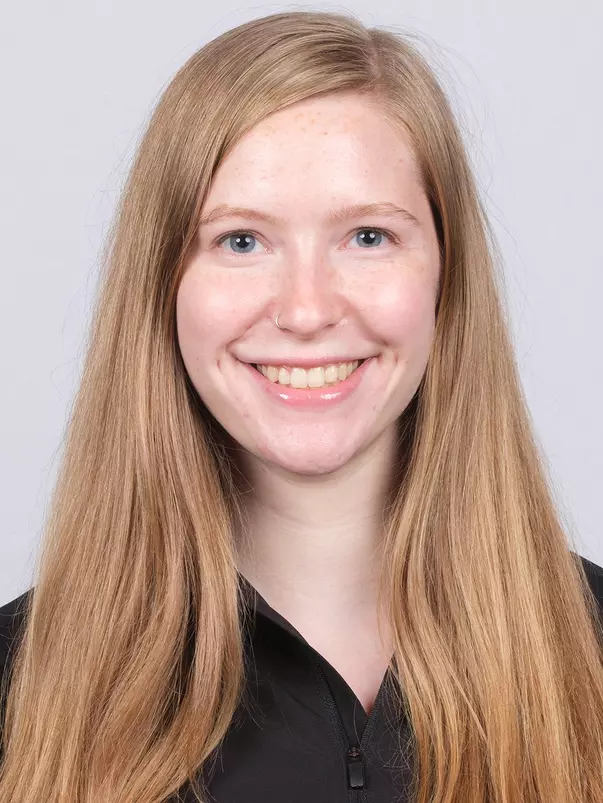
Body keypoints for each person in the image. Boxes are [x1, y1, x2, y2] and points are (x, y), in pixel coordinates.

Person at [1, 9, 602, 803]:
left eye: (367, 237)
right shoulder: (18, 686)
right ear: (163, 286)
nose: (307, 309)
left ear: (445, 279)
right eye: (241, 241)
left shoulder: (590, 649)